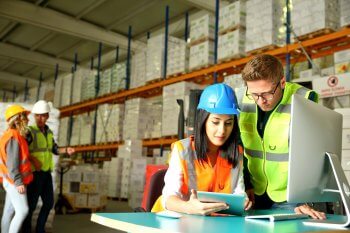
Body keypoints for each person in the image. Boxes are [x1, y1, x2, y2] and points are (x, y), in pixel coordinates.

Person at [238, 54, 325, 219]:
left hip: (291, 198)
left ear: (282, 82)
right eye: (254, 94)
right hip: (254, 193)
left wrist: (301, 198)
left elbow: (312, 156)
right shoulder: (245, 98)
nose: (260, 101)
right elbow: (241, 146)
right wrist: (246, 184)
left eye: (266, 94)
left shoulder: (304, 99)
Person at [158, 83, 252, 215]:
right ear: (203, 120)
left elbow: (238, 192)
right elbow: (169, 197)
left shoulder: (237, 152)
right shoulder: (182, 150)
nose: (222, 130)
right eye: (215, 122)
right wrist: (189, 208)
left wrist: (243, 200)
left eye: (228, 123)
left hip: (214, 223)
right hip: (177, 220)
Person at [22, 100, 75, 233]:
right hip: (34, 174)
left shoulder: (49, 132)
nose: (40, 118)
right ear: (34, 116)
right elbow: (22, 151)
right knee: (31, 205)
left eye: (43, 115)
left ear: (47, 116)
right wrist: (33, 160)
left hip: (46, 173)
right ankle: (26, 230)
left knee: (49, 203)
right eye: (37, 115)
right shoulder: (30, 132)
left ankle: (40, 229)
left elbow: (54, 149)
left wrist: (66, 150)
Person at [0, 105, 33, 233]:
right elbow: (12, 165)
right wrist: (19, 182)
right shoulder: (14, 137)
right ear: (18, 118)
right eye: (25, 116)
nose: (27, 120)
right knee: (23, 210)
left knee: (9, 210)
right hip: (15, 181)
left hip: (10, 179)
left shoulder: (11, 135)